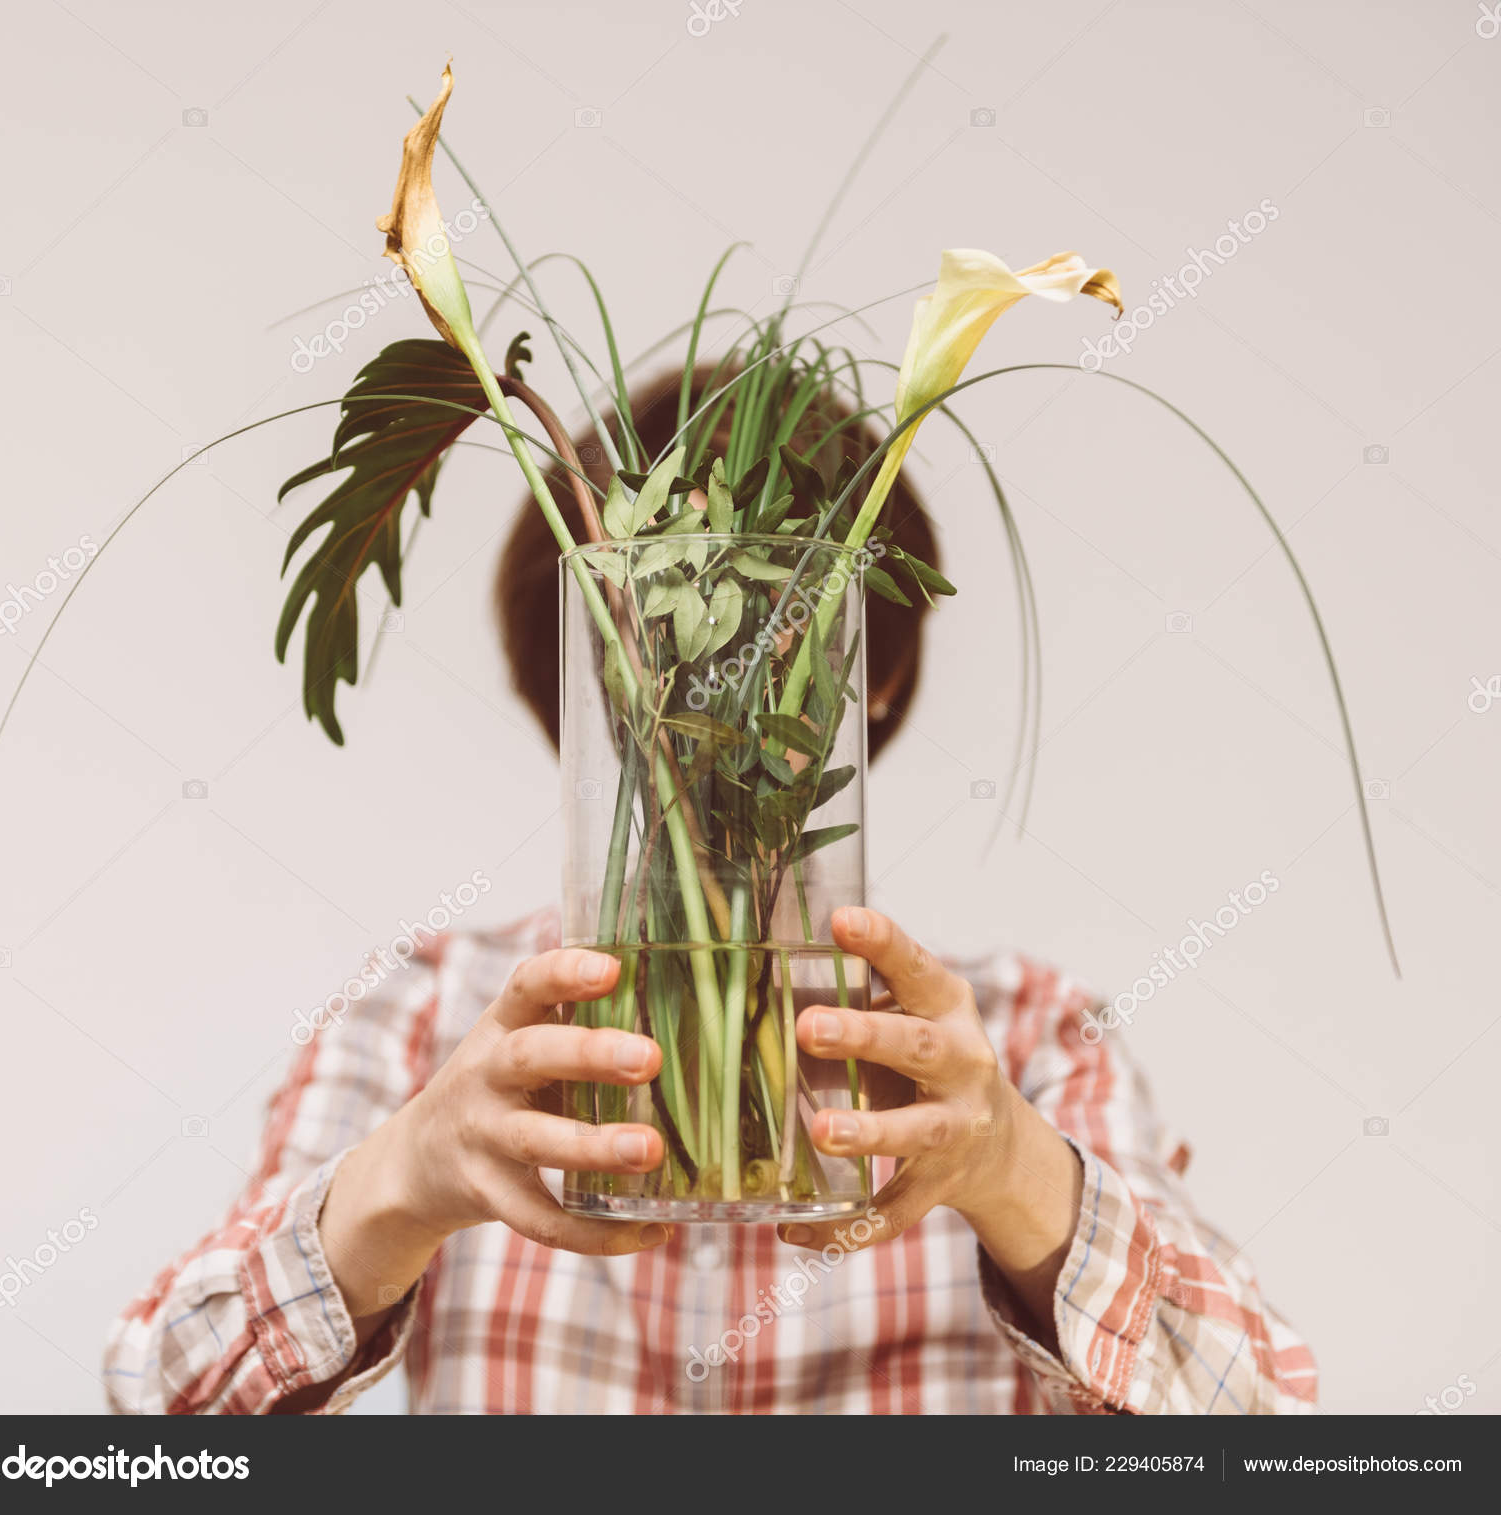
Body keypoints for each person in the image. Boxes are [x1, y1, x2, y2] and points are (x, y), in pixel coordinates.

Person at [104, 371, 1317, 1414]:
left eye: (778, 627)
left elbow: (1261, 1433)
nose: (715, 681)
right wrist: (399, 1185)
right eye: (656, 632)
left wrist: (1009, 1169)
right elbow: (156, 1411)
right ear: (580, 677)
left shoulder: (1028, 1044)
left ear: (873, 673)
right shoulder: (433, 1020)